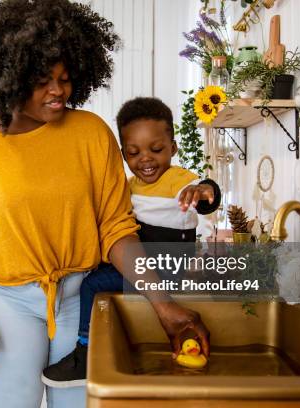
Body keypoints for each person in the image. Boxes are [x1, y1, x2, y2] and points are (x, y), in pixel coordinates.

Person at [0, 2, 210, 407]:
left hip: (80, 300)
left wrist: (162, 304)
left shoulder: (90, 134)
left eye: (65, 79)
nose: (58, 91)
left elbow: (117, 229)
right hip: (6, 304)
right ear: (8, 77)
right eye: (43, 80)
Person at [42, 97, 221, 388]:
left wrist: (201, 191)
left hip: (165, 267)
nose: (146, 159)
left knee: (92, 284)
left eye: (157, 149)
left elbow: (207, 193)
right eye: (133, 153)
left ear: (173, 148)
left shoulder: (179, 180)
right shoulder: (128, 186)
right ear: (124, 154)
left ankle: (86, 351)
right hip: (148, 265)